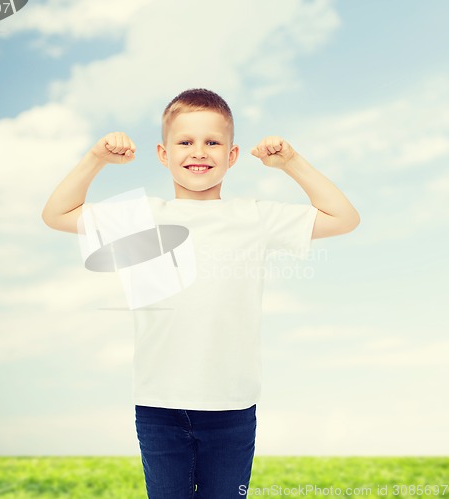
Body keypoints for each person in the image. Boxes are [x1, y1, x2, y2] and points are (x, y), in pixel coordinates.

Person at [42, 88, 360, 498]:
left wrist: (291, 163)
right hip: (159, 406)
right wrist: (96, 159)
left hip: (232, 407)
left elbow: (344, 217)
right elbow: (57, 214)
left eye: (213, 142)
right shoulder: (142, 217)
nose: (200, 151)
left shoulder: (254, 216)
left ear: (231, 155)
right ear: (162, 153)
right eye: (185, 142)